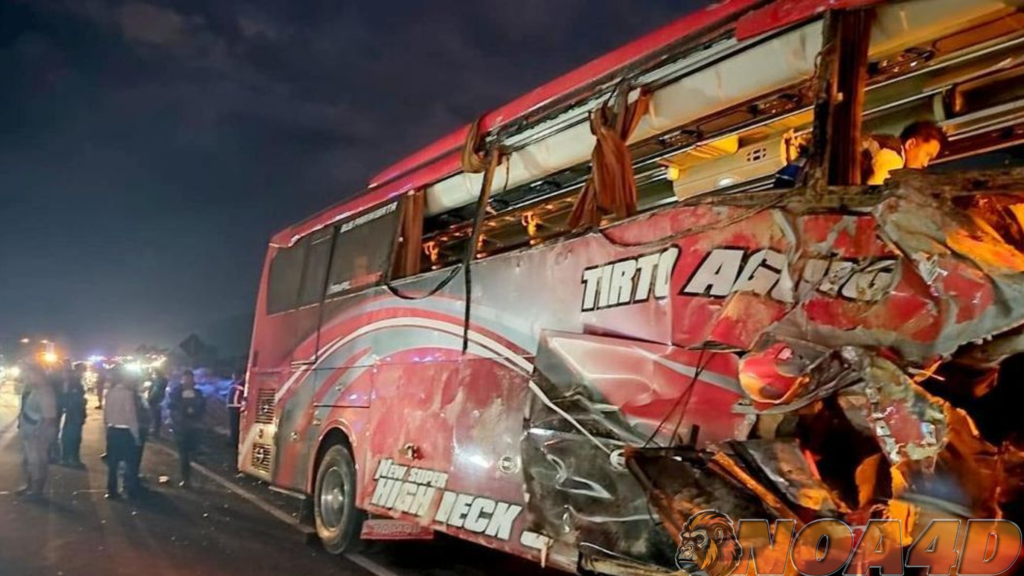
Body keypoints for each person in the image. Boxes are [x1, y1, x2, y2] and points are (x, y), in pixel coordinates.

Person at [16, 363, 58, 500]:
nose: (26, 378)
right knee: (31, 461)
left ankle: (36, 491)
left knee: (38, 462)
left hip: (38, 435)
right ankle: (30, 487)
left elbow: (49, 418)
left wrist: (39, 434)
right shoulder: (36, 390)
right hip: (31, 433)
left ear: (37, 375)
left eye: (29, 375)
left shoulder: (45, 393)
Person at [863, 120, 946, 185]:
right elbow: (871, 197)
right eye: (926, 155)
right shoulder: (893, 159)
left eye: (929, 159)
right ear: (910, 144)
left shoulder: (890, 144)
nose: (925, 164)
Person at [103, 369, 141, 499]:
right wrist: (136, 435)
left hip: (112, 430)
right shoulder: (127, 394)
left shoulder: (109, 393)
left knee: (112, 463)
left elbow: (106, 414)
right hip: (125, 431)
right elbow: (131, 416)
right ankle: (128, 489)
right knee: (128, 462)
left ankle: (111, 490)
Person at [169, 370, 205, 488]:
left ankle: (195, 478)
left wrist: (195, 413)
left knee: (194, 453)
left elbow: (202, 407)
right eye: (186, 378)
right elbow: (172, 406)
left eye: (190, 378)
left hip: (194, 427)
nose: (188, 381)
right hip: (181, 428)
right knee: (184, 454)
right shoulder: (176, 392)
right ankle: (186, 479)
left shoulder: (198, 392)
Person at [60, 363, 88, 468]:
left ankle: (67, 457)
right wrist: (82, 401)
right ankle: (72, 458)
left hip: (74, 412)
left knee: (70, 435)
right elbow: (72, 397)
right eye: (83, 370)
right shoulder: (73, 382)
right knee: (73, 436)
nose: (83, 373)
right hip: (74, 412)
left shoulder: (72, 381)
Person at [146, 369, 168, 438]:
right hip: (159, 401)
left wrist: (149, 399)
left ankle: (154, 432)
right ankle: (156, 432)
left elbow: (155, 391)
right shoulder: (162, 380)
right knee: (157, 417)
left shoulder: (159, 381)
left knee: (154, 416)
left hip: (155, 401)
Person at [227, 371, 245, 451]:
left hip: (237, 408)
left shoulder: (242, 384)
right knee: (233, 426)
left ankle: (236, 442)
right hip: (232, 408)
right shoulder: (234, 384)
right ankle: (233, 441)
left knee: (236, 426)